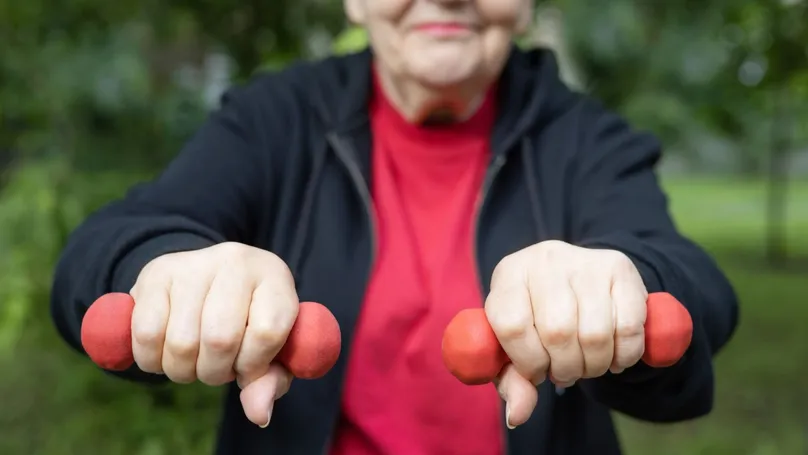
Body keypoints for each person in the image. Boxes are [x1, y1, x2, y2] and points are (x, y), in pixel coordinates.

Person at [50, 1, 739, 454]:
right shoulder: (277, 116)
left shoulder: (587, 137)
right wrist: (167, 264)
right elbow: (103, 251)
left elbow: (697, 288)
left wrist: (626, 281)